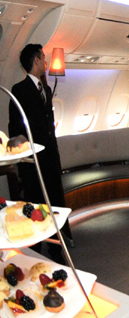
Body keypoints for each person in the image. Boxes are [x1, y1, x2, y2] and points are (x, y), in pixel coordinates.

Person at [8, 44, 73, 264]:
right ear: (36, 60)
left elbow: (49, 126)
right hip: (33, 162)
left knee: (54, 202)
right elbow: (15, 127)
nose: (46, 63)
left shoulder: (45, 89)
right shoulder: (19, 90)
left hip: (50, 158)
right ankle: (34, 249)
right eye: (43, 58)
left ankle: (57, 248)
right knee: (36, 203)